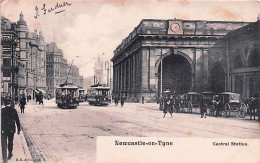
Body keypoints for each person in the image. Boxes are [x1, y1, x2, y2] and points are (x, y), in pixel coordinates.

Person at [1, 98, 21, 163]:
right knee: (10, 142)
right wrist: (18, 129)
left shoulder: (2, 111)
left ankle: (4, 160)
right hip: (11, 129)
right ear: (10, 104)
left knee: (3, 144)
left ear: (4, 104)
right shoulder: (13, 110)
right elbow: (17, 120)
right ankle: (9, 153)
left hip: (3, 129)